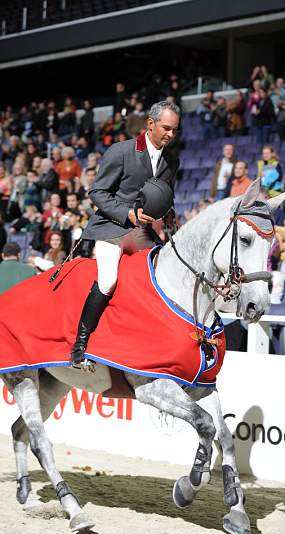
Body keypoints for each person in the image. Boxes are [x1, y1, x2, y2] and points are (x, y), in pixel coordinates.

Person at [69, 100, 180, 369]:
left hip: (142, 231)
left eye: (175, 130)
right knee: (108, 280)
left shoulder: (171, 160)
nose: (170, 135)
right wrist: (128, 214)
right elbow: (98, 193)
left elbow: (166, 198)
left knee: (161, 278)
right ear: (150, 124)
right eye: (166, 128)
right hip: (112, 227)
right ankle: (80, 346)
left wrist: (170, 223)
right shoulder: (121, 151)